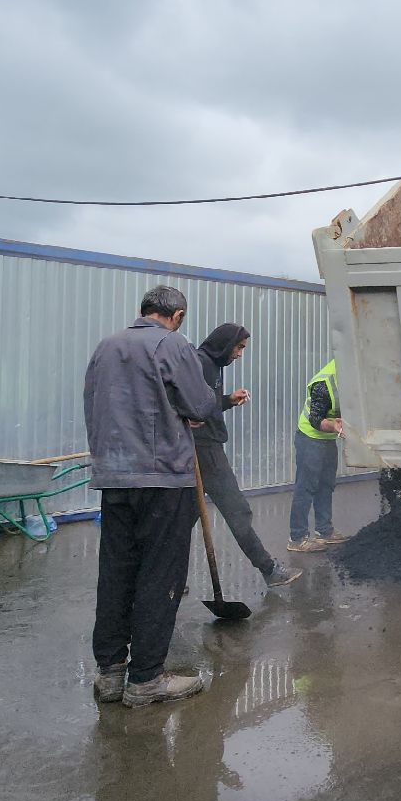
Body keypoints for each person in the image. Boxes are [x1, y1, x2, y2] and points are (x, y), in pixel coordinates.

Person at [84, 285, 219, 707]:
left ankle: (110, 674)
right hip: (162, 478)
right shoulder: (173, 344)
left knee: (117, 571)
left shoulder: (106, 347)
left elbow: (94, 405)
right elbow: (200, 405)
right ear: (176, 316)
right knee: (160, 574)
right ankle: (145, 679)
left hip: (114, 476)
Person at [194, 323, 301, 588]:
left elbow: (206, 405)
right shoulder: (202, 364)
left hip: (202, 449)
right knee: (237, 511)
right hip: (205, 450)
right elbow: (193, 408)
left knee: (182, 517)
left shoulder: (212, 364)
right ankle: (270, 570)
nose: (240, 354)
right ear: (225, 344)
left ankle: (165, 578)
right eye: (239, 348)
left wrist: (227, 400)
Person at [287, 358, 346, 553]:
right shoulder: (323, 383)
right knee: (306, 487)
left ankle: (324, 531)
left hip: (328, 438)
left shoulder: (352, 376)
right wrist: (334, 426)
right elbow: (315, 419)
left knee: (326, 484)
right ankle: (297, 538)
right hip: (310, 437)